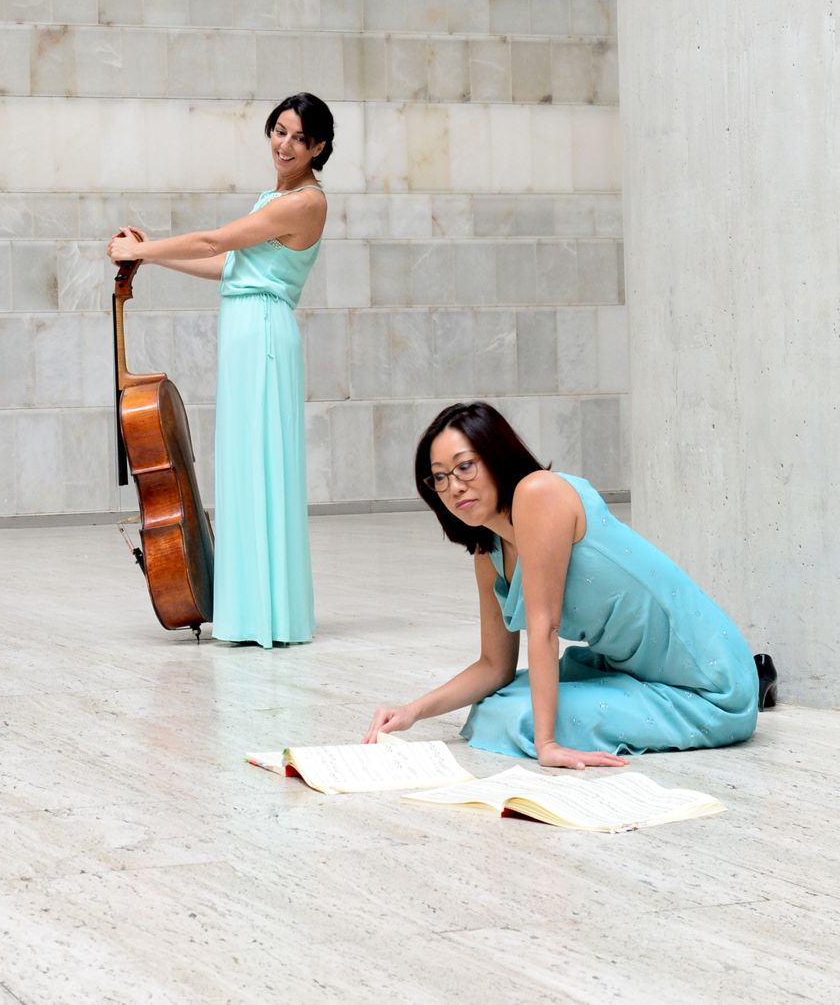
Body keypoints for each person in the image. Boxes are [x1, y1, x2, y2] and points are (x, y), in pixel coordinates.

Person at [364, 401, 761, 767]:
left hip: (706, 686)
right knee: (493, 704)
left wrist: (547, 744)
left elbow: (545, 628)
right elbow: (494, 667)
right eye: (439, 477)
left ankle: (748, 688)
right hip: (630, 670)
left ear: (496, 456)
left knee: (516, 716)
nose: (454, 486)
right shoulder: (489, 550)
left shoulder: (539, 494)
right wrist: (411, 711)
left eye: (465, 466)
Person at [108, 93, 332, 646]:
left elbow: (216, 239)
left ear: (319, 147)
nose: (284, 144)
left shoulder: (303, 203)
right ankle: (256, 610)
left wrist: (148, 246)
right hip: (246, 327)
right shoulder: (274, 197)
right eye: (278, 131)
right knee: (244, 465)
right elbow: (227, 264)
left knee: (260, 464)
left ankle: (266, 616)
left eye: (299, 138)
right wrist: (150, 257)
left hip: (263, 333)